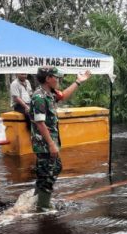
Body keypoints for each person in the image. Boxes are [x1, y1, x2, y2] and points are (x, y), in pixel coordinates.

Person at [30, 66, 91, 211]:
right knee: (51, 170)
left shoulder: (49, 94)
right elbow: (40, 123)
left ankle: (37, 201)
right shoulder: (39, 97)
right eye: (55, 77)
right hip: (44, 144)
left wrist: (78, 82)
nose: (58, 80)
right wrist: (51, 144)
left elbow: (63, 95)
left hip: (48, 142)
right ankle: (42, 208)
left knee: (45, 171)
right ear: (47, 78)